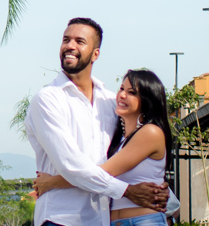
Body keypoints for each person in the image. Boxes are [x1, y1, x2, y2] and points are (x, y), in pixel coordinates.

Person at [25, 18, 169, 226]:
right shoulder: (48, 99)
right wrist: (127, 191)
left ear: (95, 54)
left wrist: (160, 191)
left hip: (102, 219)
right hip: (62, 217)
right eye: (66, 39)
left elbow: (122, 163)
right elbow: (72, 166)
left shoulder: (110, 101)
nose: (70, 46)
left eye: (79, 41)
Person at [33, 69, 174, 226]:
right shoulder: (120, 139)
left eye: (132, 92)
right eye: (122, 89)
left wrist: (52, 182)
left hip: (144, 221)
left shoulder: (150, 132)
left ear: (147, 101)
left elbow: (102, 172)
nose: (121, 95)